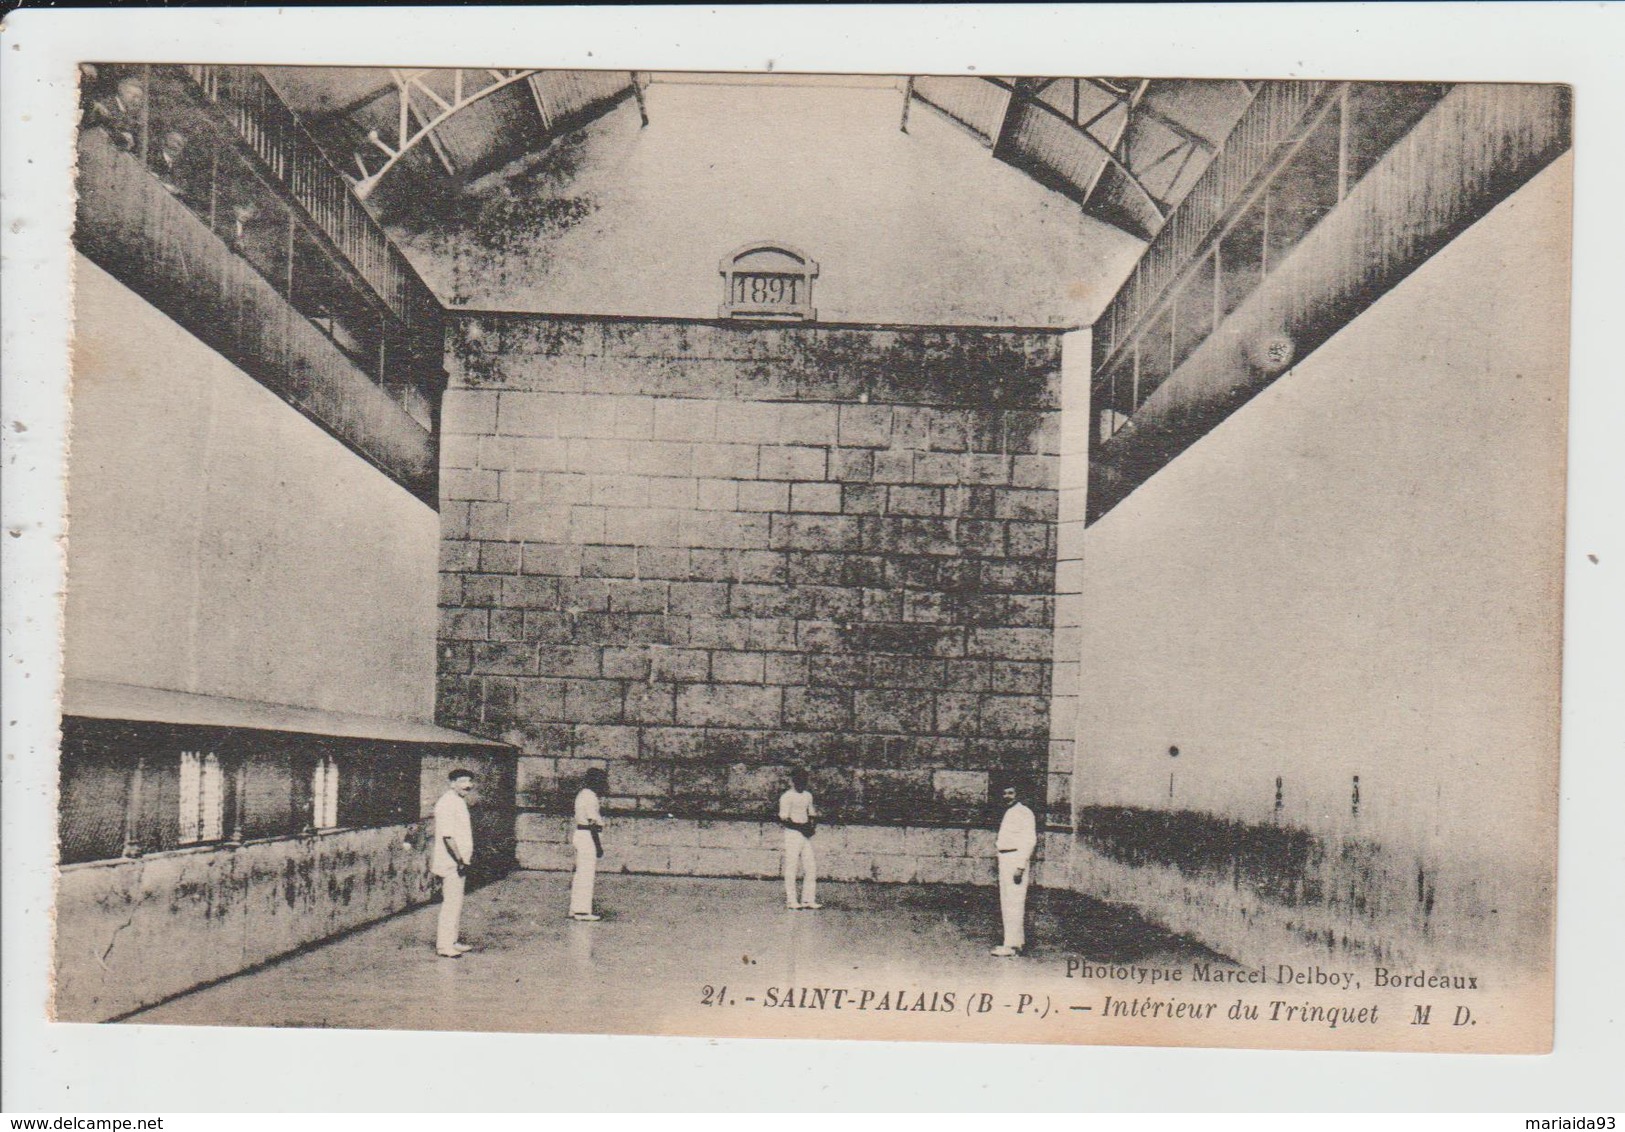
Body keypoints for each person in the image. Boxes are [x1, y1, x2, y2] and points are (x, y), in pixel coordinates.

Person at [432, 768, 477, 959]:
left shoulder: (458, 801)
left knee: (456, 902)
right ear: (452, 783)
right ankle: (444, 945)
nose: (468, 785)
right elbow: (448, 837)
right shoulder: (447, 803)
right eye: (462, 781)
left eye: (469, 781)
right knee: (451, 903)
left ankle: (453, 940)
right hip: (452, 862)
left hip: (460, 861)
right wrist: (459, 861)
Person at [991, 783, 1037, 957]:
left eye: (1010, 792)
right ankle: (1016, 942)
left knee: (1014, 902)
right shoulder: (1010, 812)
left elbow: (1029, 841)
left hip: (1014, 860)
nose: (1007, 796)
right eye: (1004, 793)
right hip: (1006, 859)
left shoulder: (1024, 813)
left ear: (1019, 794)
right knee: (1009, 901)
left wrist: (1020, 866)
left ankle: (1011, 946)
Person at [778, 767, 820, 910]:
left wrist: (812, 827)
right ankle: (791, 900)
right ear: (793, 780)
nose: (801, 782)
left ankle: (808, 900)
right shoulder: (787, 797)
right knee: (792, 866)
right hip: (792, 834)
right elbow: (784, 819)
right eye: (799, 779)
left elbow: (812, 814)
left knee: (811, 867)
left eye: (804, 780)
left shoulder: (808, 795)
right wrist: (802, 828)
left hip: (805, 834)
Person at [569, 768, 608, 922]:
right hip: (588, 837)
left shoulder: (582, 794)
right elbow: (592, 823)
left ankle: (575, 908)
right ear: (595, 781)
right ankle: (582, 911)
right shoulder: (590, 797)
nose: (603, 784)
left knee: (580, 873)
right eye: (601, 781)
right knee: (586, 874)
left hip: (581, 835)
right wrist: (598, 846)